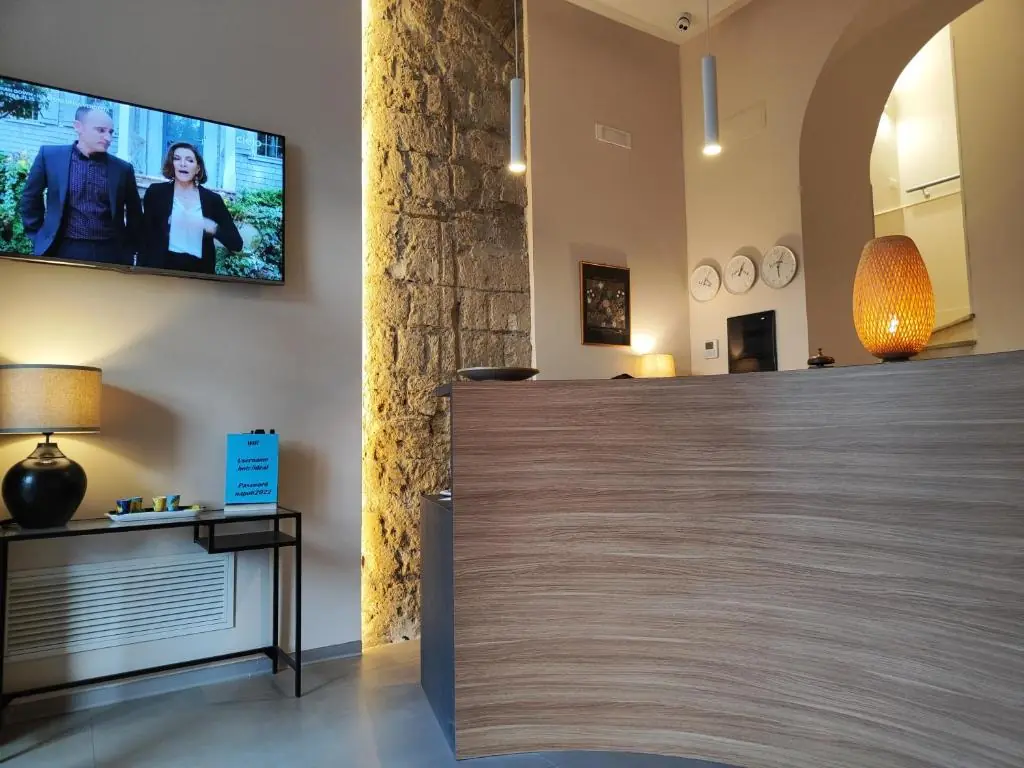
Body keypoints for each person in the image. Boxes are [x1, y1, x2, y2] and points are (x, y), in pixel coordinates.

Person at [19, 106, 143, 265]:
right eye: (101, 130)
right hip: (61, 248)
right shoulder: (50, 156)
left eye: (111, 132)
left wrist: (130, 248)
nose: (108, 138)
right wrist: (38, 236)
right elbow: (30, 198)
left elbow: (135, 213)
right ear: (78, 127)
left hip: (110, 253)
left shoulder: (122, 169)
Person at [141, 142, 242, 274]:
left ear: (198, 168)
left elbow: (236, 244)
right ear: (172, 164)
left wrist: (211, 227)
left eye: (189, 160)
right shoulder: (156, 193)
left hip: (199, 275)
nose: (183, 164)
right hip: (161, 272)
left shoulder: (213, 200)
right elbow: (144, 237)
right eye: (177, 159)